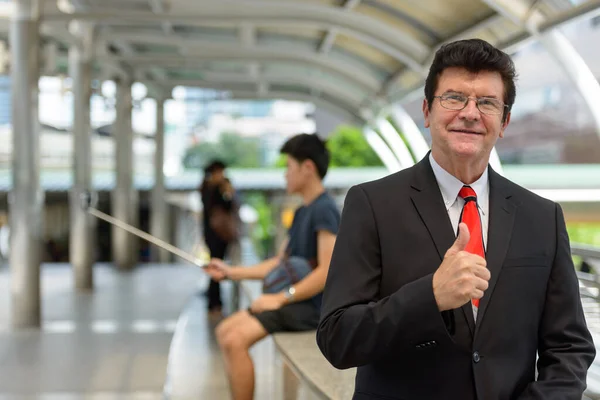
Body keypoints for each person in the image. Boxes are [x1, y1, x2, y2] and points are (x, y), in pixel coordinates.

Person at [317, 39, 595, 399]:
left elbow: (570, 348)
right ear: (427, 111)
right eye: (454, 98)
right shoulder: (371, 204)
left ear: (504, 121)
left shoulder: (542, 217)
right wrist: (429, 296)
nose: (470, 112)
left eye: (487, 103)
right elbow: (338, 338)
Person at [205, 133, 340, 400]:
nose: (285, 175)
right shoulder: (304, 211)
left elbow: (327, 271)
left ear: (308, 168)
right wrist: (230, 272)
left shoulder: (325, 210)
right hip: (295, 302)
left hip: (312, 308)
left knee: (234, 339)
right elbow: (279, 262)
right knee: (224, 332)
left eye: (288, 168)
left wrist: (279, 298)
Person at [200, 159, 237, 313]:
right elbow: (214, 207)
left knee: (217, 263)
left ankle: (215, 299)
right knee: (215, 264)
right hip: (214, 233)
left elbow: (230, 206)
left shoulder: (221, 187)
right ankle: (213, 300)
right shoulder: (208, 188)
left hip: (221, 233)